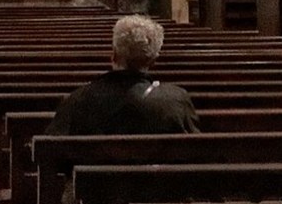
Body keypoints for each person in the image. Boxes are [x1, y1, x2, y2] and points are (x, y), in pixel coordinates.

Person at [41, 14, 200, 136]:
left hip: (95, 179)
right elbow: (194, 150)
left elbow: (53, 150)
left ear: (113, 56)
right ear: (153, 61)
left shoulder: (78, 100)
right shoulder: (176, 102)